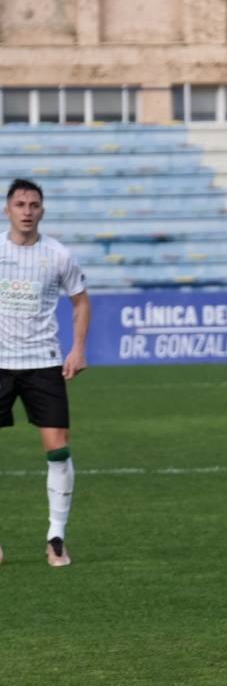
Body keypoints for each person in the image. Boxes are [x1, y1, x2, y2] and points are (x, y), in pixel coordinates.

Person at [0, 179, 89, 567]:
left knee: (59, 450)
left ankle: (56, 537)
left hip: (43, 363)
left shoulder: (57, 255)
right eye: (20, 204)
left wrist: (79, 348)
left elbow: (80, 302)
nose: (27, 211)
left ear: (42, 211)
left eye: (34, 204)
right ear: (8, 210)